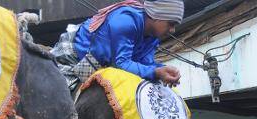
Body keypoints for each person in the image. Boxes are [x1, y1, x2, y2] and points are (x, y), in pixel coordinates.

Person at [52, 0, 183, 92]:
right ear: (157, 16)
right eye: (171, 24)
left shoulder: (153, 37)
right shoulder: (125, 21)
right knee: (59, 98)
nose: (173, 30)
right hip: (74, 56)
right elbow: (121, 64)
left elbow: (144, 64)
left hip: (105, 67)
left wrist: (163, 69)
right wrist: (155, 72)